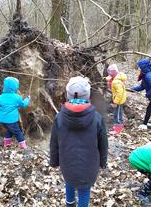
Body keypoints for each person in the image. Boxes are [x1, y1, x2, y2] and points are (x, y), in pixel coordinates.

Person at [49, 76, 108, 207]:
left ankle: (69, 204)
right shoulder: (97, 118)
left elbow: (54, 143)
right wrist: (103, 162)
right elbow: (103, 144)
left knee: (69, 182)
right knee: (84, 190)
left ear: (67, 95)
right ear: (88, 96)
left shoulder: (59, 117)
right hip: (89, 166)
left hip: (67, 163)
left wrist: (54, 161)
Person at [0, 77, 30, 149]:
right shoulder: (17, 97)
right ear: (15, 87)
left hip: (2, 119)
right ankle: (23, 146)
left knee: (9, 130)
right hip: (11, 120)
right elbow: (23, 105)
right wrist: (27, 99)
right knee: (18, 132)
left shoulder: (1, 97)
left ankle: (7, 144)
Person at [106, 64, 127, 135]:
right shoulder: (117, 78)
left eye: (110, 73)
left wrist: (115, 102)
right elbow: (109, 78)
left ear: (113, 73)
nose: (109, 74)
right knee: (119, 113)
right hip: (120, 99)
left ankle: (118, 129)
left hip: (119, 100)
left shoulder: (116, 82)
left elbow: (119, 93)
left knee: (117, 115)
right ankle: (118, 126)